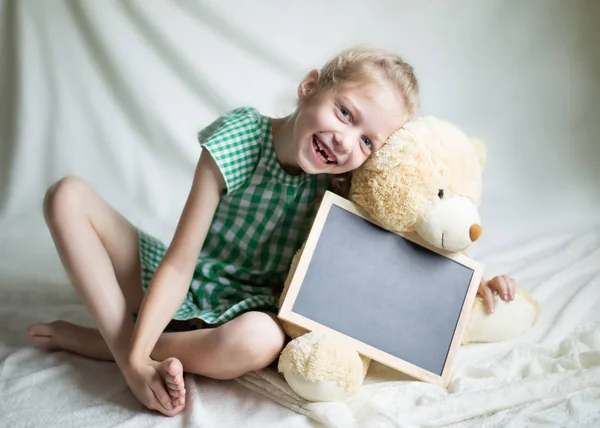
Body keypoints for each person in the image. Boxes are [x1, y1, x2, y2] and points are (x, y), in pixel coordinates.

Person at [27, 45, 514, 417]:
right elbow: (178, 262)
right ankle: (125, 348)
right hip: (178, 280)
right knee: (66, 195)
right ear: (310, 87)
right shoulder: (242, 136)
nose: (346, 140)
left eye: (368, 140)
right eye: (345, 112)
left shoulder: (345, 184)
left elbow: (406, 239)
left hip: (243, 312)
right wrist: (134, 364)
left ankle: (112, 339)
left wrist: (467, 288)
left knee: (261, 342)